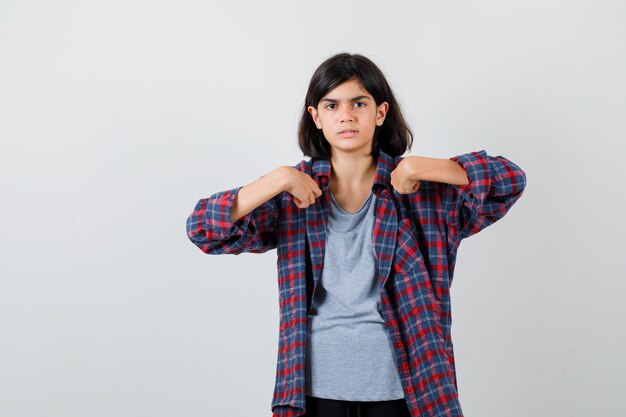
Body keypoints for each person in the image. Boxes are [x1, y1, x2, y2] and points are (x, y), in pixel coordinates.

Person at [186, 53, 527, 417]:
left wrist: (422, 166)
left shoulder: (424, 191)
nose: (346, 115)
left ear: (380, 113)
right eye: (332, 105)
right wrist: (277, 179)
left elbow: (509, 181)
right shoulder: (292, 196)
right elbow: (204, 229)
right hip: (314, 389)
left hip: (410, 387)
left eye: (358, 103)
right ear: (316, 117)